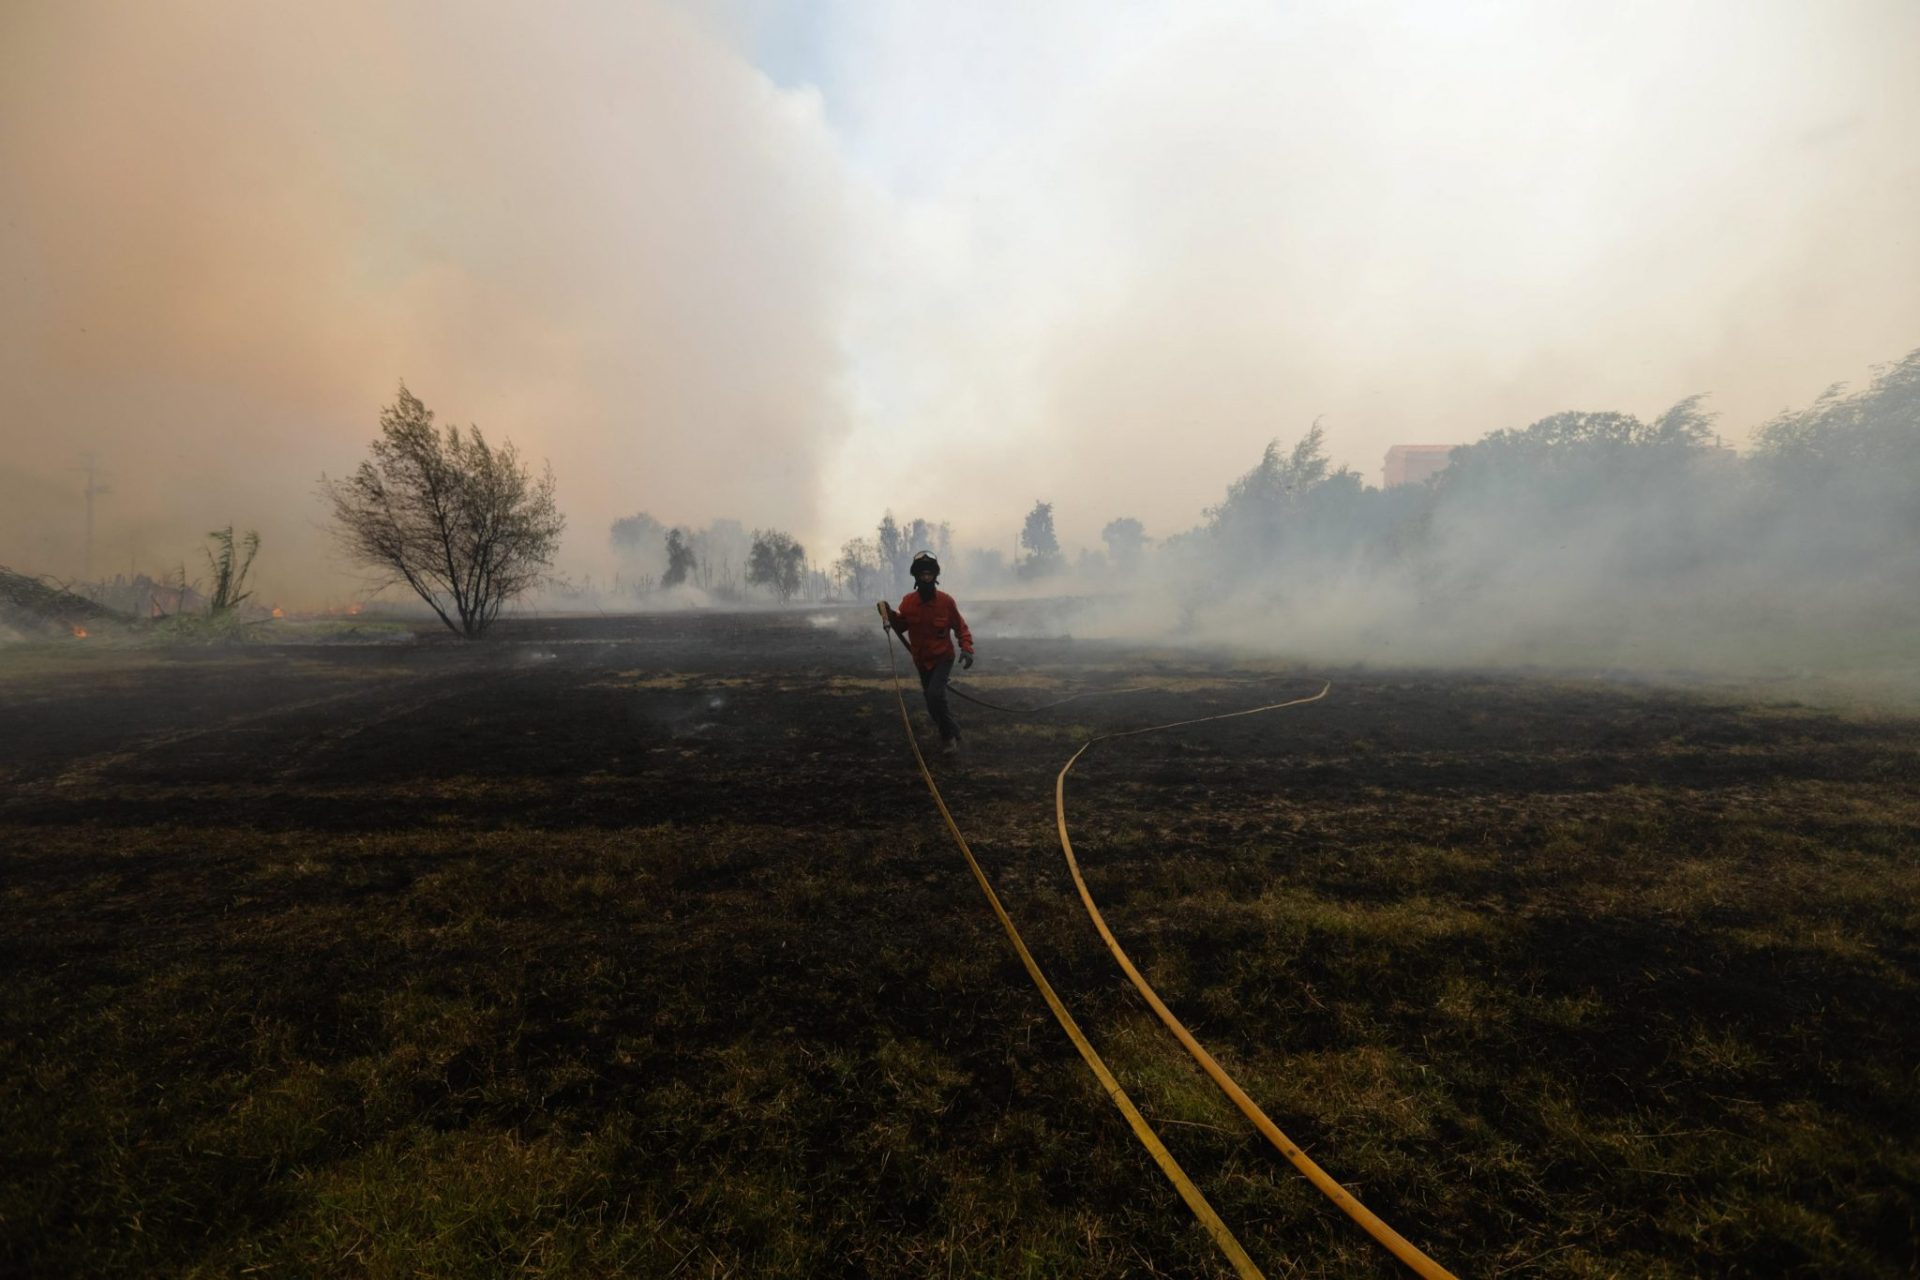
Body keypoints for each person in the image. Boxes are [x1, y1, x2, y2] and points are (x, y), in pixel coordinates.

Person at [883, 550, 975, 754]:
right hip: (922, 661)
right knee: (932, 704)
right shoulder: (908, 602)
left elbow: (961, 627)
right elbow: (901, 626)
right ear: (916, 577)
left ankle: (948, 739)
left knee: (935, 695)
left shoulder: (946, 602)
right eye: (922, 574)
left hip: (943, 657)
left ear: (935, 576)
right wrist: (889, 615)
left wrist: (967, 649)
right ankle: (953, 729)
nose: (926, 578)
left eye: (929, 574)